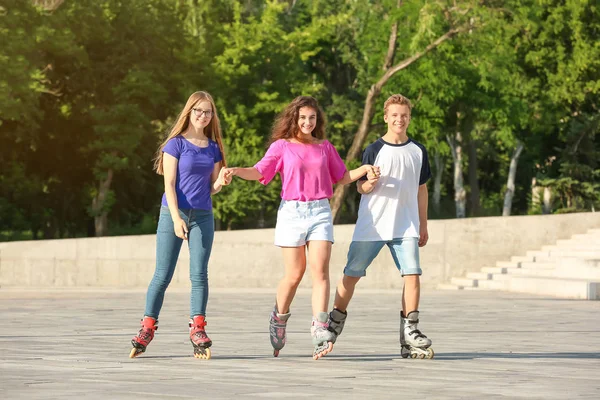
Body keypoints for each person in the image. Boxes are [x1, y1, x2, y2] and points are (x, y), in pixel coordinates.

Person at [225, 96, 377, 360]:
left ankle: (320, 326)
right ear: (294, 118)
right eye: (303, 117)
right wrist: (237, 171)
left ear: (317, 120)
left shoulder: (324, 147)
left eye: (312, 118)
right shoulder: (281, 146)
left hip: (319, 211)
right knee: (295, 274)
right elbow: (261, 171)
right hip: (292, 213)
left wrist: (363, 169)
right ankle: (279, 317)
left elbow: (341, 177)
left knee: (320, 272)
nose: (308, 122)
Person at [327, 94, 435, 359]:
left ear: (409, 118)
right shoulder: (375, 149)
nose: (400, 119)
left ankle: (410, 332)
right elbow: (360, 187)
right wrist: (370, 183)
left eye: (404, 115)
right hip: (372, 226)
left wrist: (423, 223)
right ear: (386, 117)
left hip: (406, 226)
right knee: (351, 275)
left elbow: (422, 189)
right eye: (395, 115)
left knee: (412, 275)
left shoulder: (418, 151)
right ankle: (333, 324)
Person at [129, 91, 231, 360]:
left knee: (199, 274)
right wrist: (175, 218)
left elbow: (212, 186)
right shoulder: (175, 144)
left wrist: (221, 182)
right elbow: (169, 185)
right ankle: (147, 327)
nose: (203, 115)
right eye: (198, 110)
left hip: (203, 216)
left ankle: (197, 328)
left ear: (212, 116)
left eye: (208, 112)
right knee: (162, 274)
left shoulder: (213, 147)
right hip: (172, 212)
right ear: (189, 111)